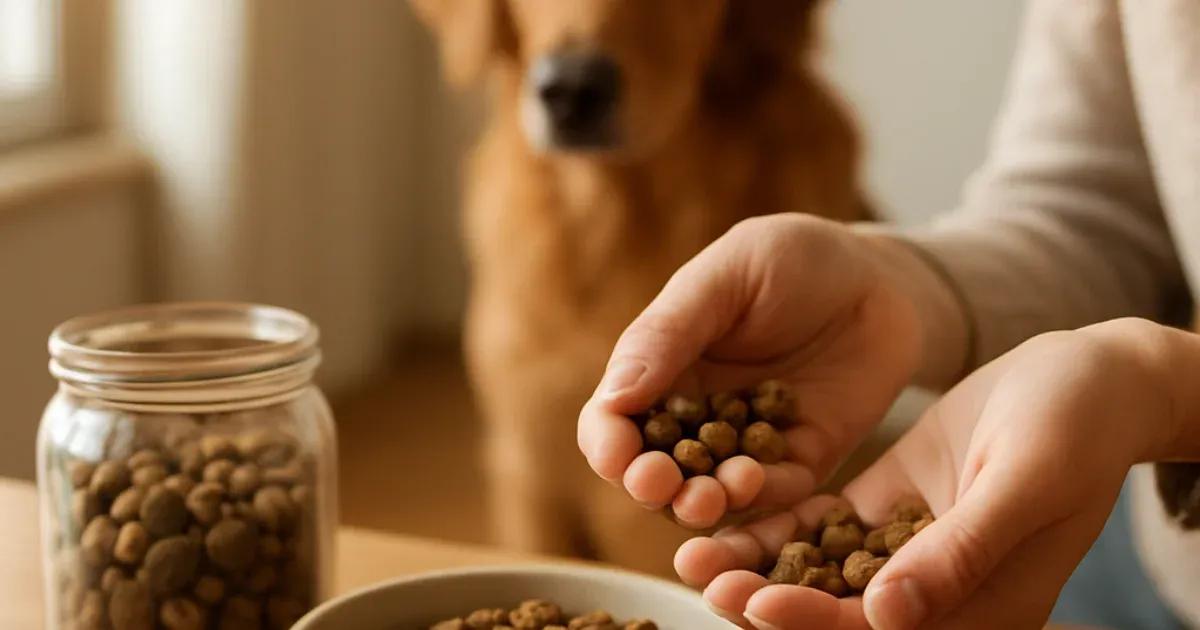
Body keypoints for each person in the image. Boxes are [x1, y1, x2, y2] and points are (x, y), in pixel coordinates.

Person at [577, 3, 1200, 629]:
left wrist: (1172, 393)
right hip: (1131, 546)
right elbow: (1096, 210)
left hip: (1123, 480)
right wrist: (907, 290)